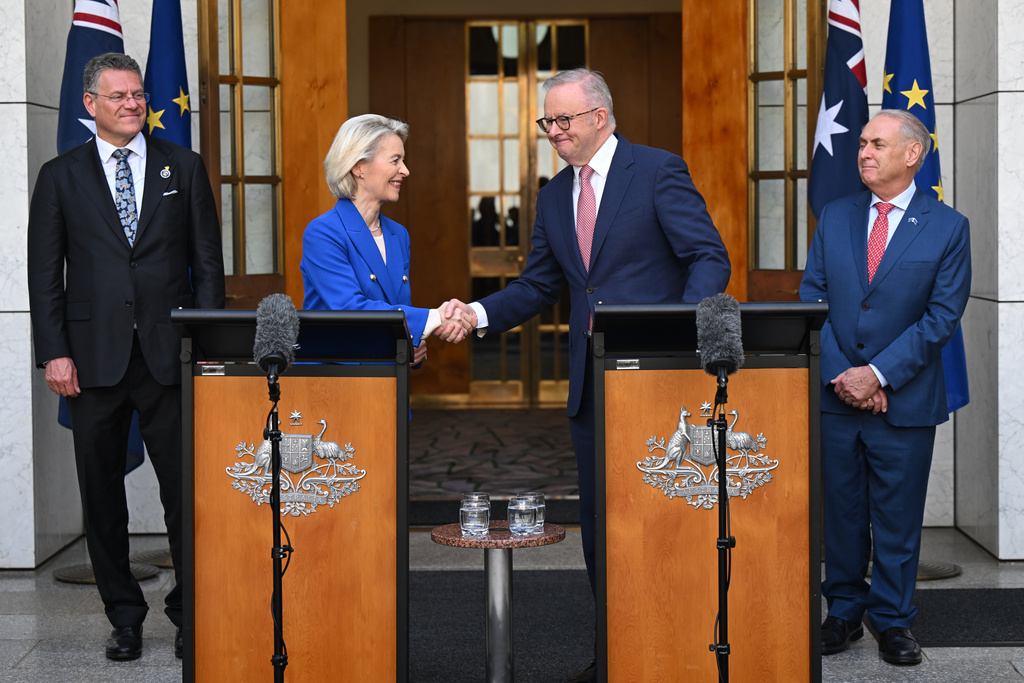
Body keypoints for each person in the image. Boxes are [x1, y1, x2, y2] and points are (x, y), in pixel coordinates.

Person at [443, 68, 731, 683]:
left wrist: (679, 340)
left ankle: (679, 650)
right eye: (547, 122)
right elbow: (541, 285)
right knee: (603, 529)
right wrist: (478, 313)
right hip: (591, 392)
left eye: (562, 120)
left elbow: (708, 256)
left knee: (663, 517)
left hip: (657, 383)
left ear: (599, 116)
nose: (552, 132)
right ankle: (616, 654)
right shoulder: (554, 195)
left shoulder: (657, 171)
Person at [27, 53, 225, 660]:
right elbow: (45, 277)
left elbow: (208, 266)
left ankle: (190, 614)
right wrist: (54, 355)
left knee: (185, 493)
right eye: (117, 97)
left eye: (138, 94)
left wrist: (207, 347)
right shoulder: (60, 176)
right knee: (102, 496)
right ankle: (125, 617)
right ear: (90, 105)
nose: (132, 104)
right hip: (91, 361)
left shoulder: (183, 166)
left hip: (171, 355)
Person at [800, 109, 971, 666]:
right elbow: (811, 300)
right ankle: (844, 613)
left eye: (877, 143)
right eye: (862, 143)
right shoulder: (836, 214)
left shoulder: (947, 226)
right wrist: (842, 373)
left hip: (905, 400)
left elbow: (941, 317)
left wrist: (876, 374)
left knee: (897, 519)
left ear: (912, 154)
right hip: (835, 395)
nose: (864, 152)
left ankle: (893, 622)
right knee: (842, 515)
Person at [301, 114, 471, 350]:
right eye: (395, 160)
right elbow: (349, 309)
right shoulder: (323, 233)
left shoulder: (398, 234)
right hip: (337, 380)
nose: (405, 170)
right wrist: (433, 319)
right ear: (358, 167)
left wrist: (411, 348)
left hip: (387, 378)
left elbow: (398, 309)